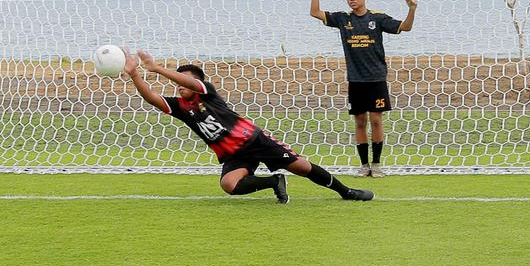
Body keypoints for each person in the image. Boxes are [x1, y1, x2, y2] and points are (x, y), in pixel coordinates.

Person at [122, 49, 373, 204]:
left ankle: (346, 192)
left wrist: (157, 68)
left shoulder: (207, 92)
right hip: (233, 154)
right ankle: (274, 182)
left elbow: (190, 83)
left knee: (302, 167)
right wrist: (135, 74)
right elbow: (152, 98)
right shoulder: (180, 106)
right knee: (229, 185)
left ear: (197, 83)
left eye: (184, 81)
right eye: (178, 83)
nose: (179, 85)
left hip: (254, 141)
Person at [310, 0, 417, 177]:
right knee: (360, 122)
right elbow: (315, 12)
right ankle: (364, 165)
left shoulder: (377, 18)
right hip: (356, 81)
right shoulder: (343, 19)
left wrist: (412, 9)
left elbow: (406, 27)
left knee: (376, 120)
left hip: (376, 79)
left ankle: (376, 165)